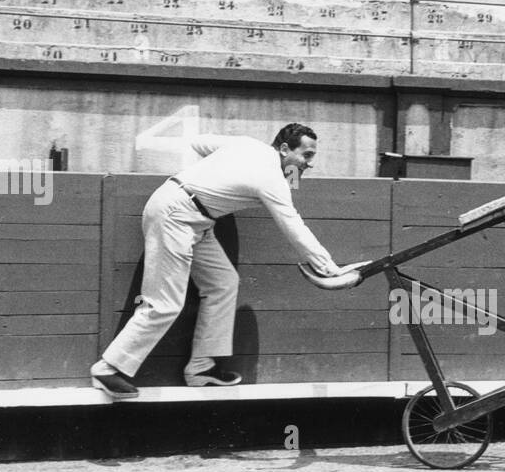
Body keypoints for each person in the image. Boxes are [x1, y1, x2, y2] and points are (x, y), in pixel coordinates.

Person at [90, 123, 359, 399]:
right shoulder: (271, 178)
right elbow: (294, 227)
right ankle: (108, 368)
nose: (308, 164)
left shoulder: (247, 144)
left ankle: (200, 368)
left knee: (223, 283)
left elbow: (196, 144)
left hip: (196, 219)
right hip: (176, 215)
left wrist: (203, 181)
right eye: (306, 155)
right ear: (284, 149)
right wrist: (330, 269)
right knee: (165, 303)